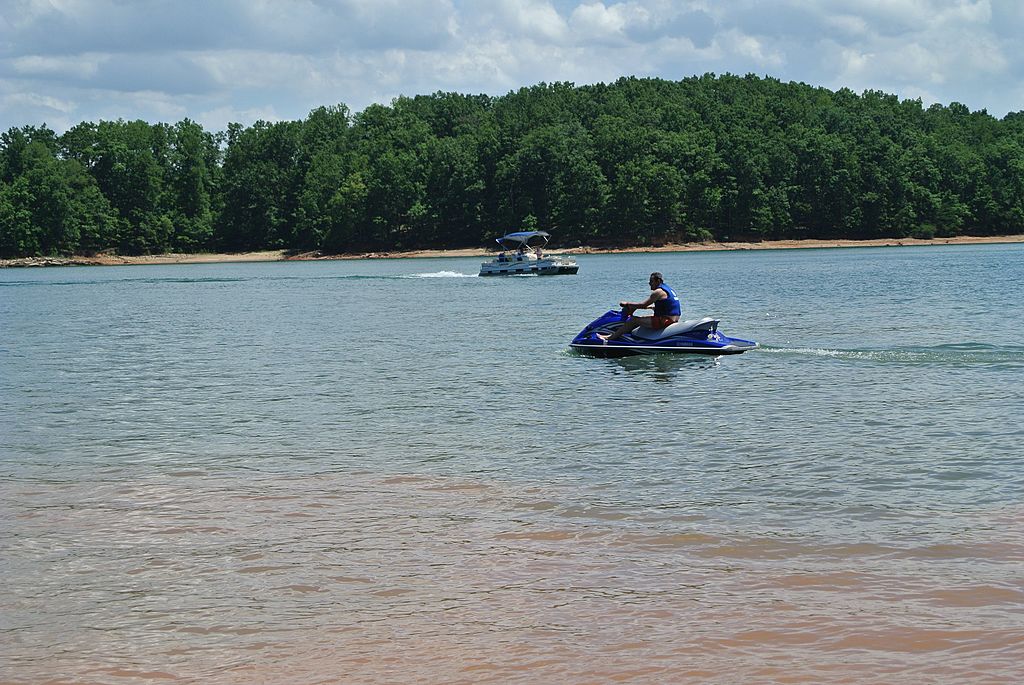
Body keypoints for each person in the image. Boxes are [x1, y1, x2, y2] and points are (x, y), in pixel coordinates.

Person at [597, 272, 681, 341]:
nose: (649, 284)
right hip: (671, 319)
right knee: (641, 318)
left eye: (651, 281)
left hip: (665, 321)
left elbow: (643, 305)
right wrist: (650, 307)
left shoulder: (658, 292)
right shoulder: (668, 289)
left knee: (633, 320)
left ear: (658, 281)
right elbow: (668, 306)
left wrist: (627, 304)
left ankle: (610, 337)